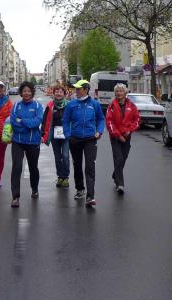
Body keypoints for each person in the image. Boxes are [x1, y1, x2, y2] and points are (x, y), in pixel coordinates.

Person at [63, 79, 105, 207]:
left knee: (90, 166)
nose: (76, 91)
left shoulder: (94, 104)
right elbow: (65, 121)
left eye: (79, 89)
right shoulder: (71, 104)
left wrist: (99, 131)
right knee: (77, 165)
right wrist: (68, 135)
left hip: (90, 139)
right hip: (75, 139)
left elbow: (101, 119)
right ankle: (80, 189)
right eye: (76, 89)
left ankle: (90, 196)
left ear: (86, 90)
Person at [9, 81, 44, 208]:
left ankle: (34, 189)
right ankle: (15, 197)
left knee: (33, 167)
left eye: (29, 91)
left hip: (33, 141)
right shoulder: (16, 105)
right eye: (24, 91)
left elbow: (36, 122)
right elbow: (13, 122)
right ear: (21, 92)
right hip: (17, 141)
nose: (27, 93)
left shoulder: (38, 106)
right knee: (16, 168)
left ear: (32, 92)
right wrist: (27, 125)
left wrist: (22, 121)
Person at [105, 83, 140, 195]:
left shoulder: (132, 105)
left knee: (123, 158)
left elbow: (137, 120)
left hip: (127, 136)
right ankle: (120, 184)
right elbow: (109, 122)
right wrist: (118, 135)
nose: (119, 93)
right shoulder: (111, 106)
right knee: (118, 159)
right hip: (115, 137)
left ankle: (115, 174)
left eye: (121, 91)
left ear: (125, 93)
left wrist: (130, 130)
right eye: (117, 91)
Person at [41, 84, 70, 188]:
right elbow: (45, 120)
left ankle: (65, 177)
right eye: (56, 92)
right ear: (53, 94)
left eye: (60, 92)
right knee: (58, 157)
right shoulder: (50, 105)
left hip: (66, 133)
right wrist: (42, 134)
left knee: (65, 156)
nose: (58, 93)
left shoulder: (69, 105)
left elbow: (74, 118)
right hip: (54, 133)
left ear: (64, 94)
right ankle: (60, 177)